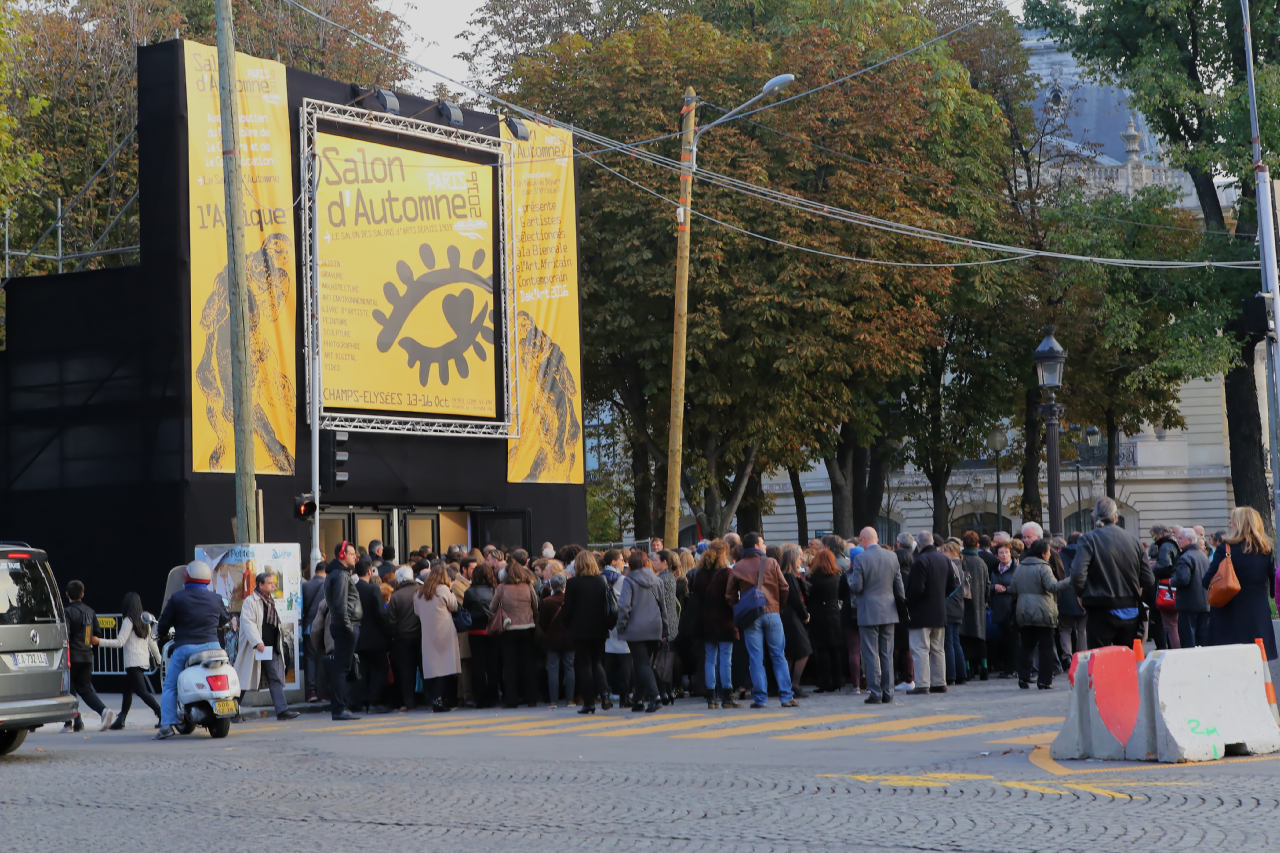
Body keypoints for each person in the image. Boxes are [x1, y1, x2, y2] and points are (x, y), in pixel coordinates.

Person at [155, 560, 229, 739]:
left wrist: (162, 633)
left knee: (170, 685)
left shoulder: (177, 598)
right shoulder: (215, 598)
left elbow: (164, 623)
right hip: (213, 647)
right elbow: (224, 619)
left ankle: (166, 725)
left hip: (186, 647)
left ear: (187, 577)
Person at [726, 532, 797, 709]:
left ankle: (760, 698)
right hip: (772, 612)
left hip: (751, 615)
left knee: (755, 658)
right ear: (756, 546)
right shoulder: (771, 562)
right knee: (778, 655)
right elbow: (784, 587)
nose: (765, 546)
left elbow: (729, 594)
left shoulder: (738, 566)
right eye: (763, 543)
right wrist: (778, 606)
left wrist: (739, 607)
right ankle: (786, 696)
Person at [1070, 497, 1153, 649]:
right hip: (1130, 608)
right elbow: (1148, 578)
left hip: (1099, 608)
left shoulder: (1089, 539)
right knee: (1127, 660)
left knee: (1101, 662)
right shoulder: (1134, 541)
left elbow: (1076, 574)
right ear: (1116, 517)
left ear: (1094, 517)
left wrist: (1082, 593)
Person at [1203, 506, 1277, 662]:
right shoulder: (1266, 550)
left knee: (1231, 664)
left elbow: (1207, 580)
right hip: (1258, 616)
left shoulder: (1226, 548)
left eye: (1232, 521)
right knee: (1257, 663)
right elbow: (1272, 584)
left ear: (1239, 524)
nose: (1230, 524)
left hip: (1228, 616)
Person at [234, 571, 299, 721]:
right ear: (260, 585)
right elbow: (248, 623)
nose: (274, 586)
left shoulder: (270, 600)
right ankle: (232, 712)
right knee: (244, 680)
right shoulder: (251, 601)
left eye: (274, 583)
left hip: (270, 647)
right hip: (256, 647)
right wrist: (257, 642)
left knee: (275, 677)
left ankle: (282, 711)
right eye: (270, 583)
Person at [849, 527, 904, 704]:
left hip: (868, 611)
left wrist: (849, 578)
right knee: (887, 652)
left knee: (870, 653)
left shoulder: (861, 558)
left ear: (863, 539)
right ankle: (888, 691)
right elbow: (899, 586)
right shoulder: (892, 556)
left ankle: (875, 692)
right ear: (877, 538)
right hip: (889, 610)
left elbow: (857, 586)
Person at [95, 592, 162, 730]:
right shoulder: (145, 620)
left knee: (142, 692)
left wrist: (99, 641)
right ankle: (121, 719)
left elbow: (120, 642)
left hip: (133, 662)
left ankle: (162, 714)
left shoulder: (128, 621)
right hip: (143, 661)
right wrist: (159, 659)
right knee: (127, 690)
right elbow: (152, 643)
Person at [1011, 539, 1072, 689]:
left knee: (1026, 646)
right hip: (1043, 611)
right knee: (1046, 647)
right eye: (1048, 551)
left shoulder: (1020, 567)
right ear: (1043, 553)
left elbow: (1012, 588)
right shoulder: (1043, 568)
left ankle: (1023, 677)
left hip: (1024, 611)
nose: (1049, 554)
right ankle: (1044, 680)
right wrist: (1070, 581)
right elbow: (1052, 586)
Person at [617, 550, 670, 713]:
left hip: (635, 628)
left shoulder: (629, 581)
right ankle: (638, 699)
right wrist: (665, 628)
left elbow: (625, 606)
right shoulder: (657, 580)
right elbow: (663, 606)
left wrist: (621, 625)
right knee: (645, 664)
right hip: (655, 627)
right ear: (647, 563)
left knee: (641, 664)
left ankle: (655, 697)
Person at [905, 532, 957, 695]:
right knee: (938, 648)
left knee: (920, 649)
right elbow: (953, 584)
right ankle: (939, 681)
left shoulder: (920, 561)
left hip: (921, 612)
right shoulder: (944, 559)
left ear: (919, 545)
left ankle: (922, 683)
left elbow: (916, 589)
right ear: (933, 542)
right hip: (940, 610)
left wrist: (909, 603)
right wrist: (941, 596)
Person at [63, 580, 114, 732]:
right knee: (85, 689)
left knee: (69, 690)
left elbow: (66, 635)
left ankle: (71, 723)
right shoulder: (91, 611)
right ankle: (103, 711)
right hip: (87, 655)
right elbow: (96, 635)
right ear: (83, 594)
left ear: (67, 594)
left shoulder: (67, 612)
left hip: (72, 656)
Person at [693, 540, 738, 709]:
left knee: (710, 658)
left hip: (706, 620)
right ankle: (727, 694)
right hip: (725, 619)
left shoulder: (700, 573)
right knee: (726, 658)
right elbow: (731, 597)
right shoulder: (727, 573)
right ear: (724, 553)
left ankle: (711, 696)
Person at [413, 563, 461, 712]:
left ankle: (435, 698)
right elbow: (454, 606)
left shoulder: (419, 593)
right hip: (445, 632)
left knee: (433, 668)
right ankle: (442, 700)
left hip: (427, 633)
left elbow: (417, 612)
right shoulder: (443, 590)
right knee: (446, 667)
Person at [324, 541, 362, 720]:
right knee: (342, 669)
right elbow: (339, 606)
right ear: (342, 555)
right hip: (346, 627)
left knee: (342, 668)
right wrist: (348, 627)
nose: (355, 556)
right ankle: (340, 708)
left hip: (344, 626)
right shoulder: (340, 575)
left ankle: (341, 707)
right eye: (352, 553)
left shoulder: (338, 574)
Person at [493, 559, 540, 707]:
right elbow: (535, 605)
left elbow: (492, 606)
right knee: (528, 664)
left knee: (509, 665)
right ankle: (531, 698)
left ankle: (511, 699)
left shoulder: (501, 587)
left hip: (509, 629)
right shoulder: (528, 586)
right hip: (528, 627)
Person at [805, 548, 845, 694]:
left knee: (822, 649)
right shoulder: (838, 576)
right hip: (834, 614)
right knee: (835, 649)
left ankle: (825, 681)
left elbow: (809, 597)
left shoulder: (812, 578)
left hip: (818, 615)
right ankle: (838, 680)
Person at [354, 558, 391, 713]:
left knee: (362, 670)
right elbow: (380, 614)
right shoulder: (373, 590)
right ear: (369, 572)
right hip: (375, 637)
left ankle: (362, 701)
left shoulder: (352, 589)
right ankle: (374, 701)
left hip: (357, 636)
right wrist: (388, 632)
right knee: (379, 669)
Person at [778, 545, 814, 696]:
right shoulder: (790, 577)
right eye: (799, 558)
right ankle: (794, 684)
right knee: (804, 649)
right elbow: (796, 600)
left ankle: (787, 684)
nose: (801, 560)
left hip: (786, 616)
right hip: (792, 617)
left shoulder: (784, 576)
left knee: (791, 652)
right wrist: (805, 614)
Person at [463, 563, 500, 708]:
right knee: (492, 665)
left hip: (475, 631)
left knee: (478, 665)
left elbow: (465, 609)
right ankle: (493, 696)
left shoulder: (470, 592)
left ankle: (480, 696)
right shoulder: (495, 590)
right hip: (493, 629)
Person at [1167, 526, 1211, 647]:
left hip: (1188, 605)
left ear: (1190, 540)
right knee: (1203, 641)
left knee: (1189, 642)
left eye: (1180, 538)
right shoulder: (1203, 556)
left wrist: (1172, 581)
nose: (1177, 541)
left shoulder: (1186, 557)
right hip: (1205, 604)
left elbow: (1183, 579)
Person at [386, 565, 422, 711]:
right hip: (421, 635)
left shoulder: (395, 596)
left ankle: (409, 701)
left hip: (403, 639)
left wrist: (394, 635)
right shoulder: (421, 591)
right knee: (424, 668)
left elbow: (391, 621)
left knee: (406, 672)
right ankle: (430, 698)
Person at [539, 573, 575, 708]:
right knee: (569, 668)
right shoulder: (570, 600)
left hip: (552, 639)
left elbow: (542, 623)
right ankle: (570, 699)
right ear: (565, 585)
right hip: (569, 639)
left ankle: (553, 700)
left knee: (552, 669)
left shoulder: (546, 602)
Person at [959, 531, 990, 681]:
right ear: (977, 544)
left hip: (964, 605)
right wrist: (985, 600)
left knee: (965, 638)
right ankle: (984, 667)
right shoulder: (981, 562)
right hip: (979, 606)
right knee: (980, 639)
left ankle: (968, 668)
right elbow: (988, 585)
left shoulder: (961, 561)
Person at [988, 542, 1019, 676]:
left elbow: (1019, 586)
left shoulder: (1016, 569)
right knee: (1003, 640)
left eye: (1006, 552)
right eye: (1001, 552)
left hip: (1012, 609)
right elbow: (988, 585)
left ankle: (1013, 668)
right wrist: (993, 587)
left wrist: (1006, 589)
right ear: (997, 555)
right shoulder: (994, 570)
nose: (1004, 555)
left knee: (1013, 640)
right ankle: (1007, 667)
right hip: (998, 609)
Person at [300, 561, 327, 702]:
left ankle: (311, 691)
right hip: (322, 629)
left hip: (307, 628)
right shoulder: (327, 585)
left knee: (310, 659)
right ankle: (322, 691)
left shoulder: (305, 585)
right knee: (322, 659)